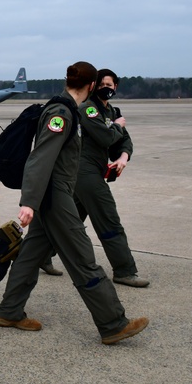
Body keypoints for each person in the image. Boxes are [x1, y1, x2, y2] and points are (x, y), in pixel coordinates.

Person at [0, 61, 149, 345]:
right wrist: (29, 202)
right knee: (83, 258)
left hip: (53, 193)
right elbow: (40, 158)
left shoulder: (68, 109)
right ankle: (113, 324)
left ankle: (9, 311)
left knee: (30, 255)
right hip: (55, 195)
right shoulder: (61, 113)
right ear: (91, 86)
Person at [75, 68, 149, 288]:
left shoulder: (111, 111)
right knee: (109, 220)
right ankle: (124, 270)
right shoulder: (88, 109)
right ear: (93, 86)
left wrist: (123, 158)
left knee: (69, 221)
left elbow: (124, 141)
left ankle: (41, 256)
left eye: (110, 85)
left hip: (93, 172)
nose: (105, 88)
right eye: (101, 84)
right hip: (83, 171)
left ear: (116, 87)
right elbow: (106, 137)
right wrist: (117, 125)